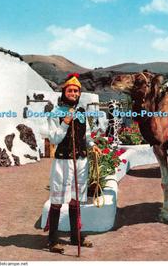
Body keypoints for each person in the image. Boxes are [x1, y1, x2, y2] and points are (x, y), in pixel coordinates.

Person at [44, 73, 102, 254]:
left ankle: (76, 236)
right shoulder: (56, 112)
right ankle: (52, 240)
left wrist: (92, 145)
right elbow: (54, 138)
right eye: (70, 90)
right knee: (57, 200)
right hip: (63, 162)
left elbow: (86, 134)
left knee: (76, 201)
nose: (74, 93)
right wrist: (65, 123)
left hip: (81, 161)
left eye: (76, 91)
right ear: (64, 92)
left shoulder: (82, 112)